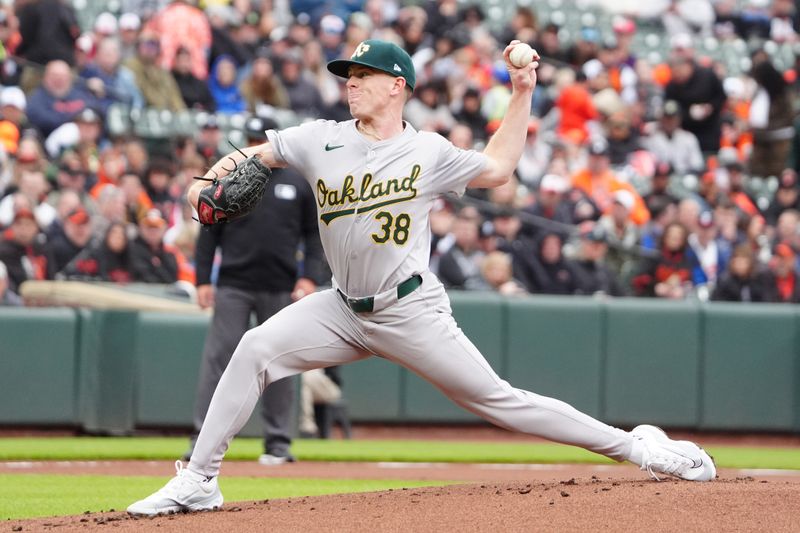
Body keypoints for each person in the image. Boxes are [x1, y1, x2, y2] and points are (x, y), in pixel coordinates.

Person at [127, 39, 716, 517]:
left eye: (363, 73)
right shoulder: (319, 138)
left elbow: (501, 168)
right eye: (347, 74)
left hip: (410, 310)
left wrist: (521, 92)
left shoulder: (427, 152)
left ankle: (643, 450)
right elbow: (257, 156)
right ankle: (200, 480)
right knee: (255, 347)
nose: (351, 81)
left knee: (500, 402)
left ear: (397, 86)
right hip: (341, 309)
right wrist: (209, 179)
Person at [183, 155, 325, 465]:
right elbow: (209, 226)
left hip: (280, 286)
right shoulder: (231, 179)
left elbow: (314, 233)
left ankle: (278, 442)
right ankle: (201, 440)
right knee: (219, 359)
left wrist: (310, 276)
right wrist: (203, 279)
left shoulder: (297, 181)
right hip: (234, 283)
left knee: (280, 363)